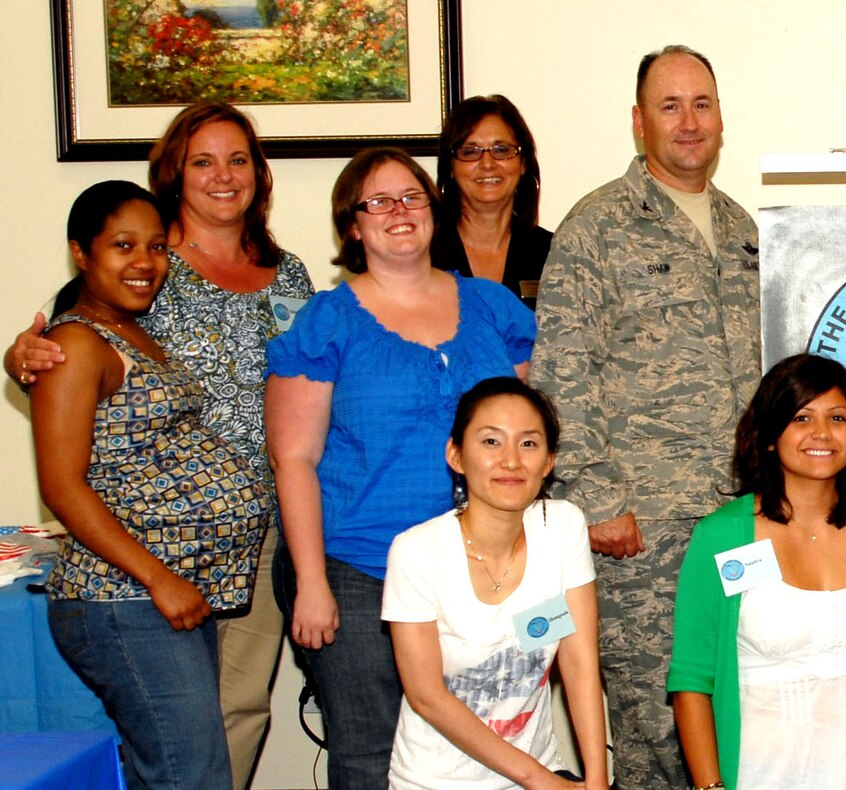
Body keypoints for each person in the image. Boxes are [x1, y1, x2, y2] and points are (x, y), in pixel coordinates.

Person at [8, 101, 314, 790]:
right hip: (152, 545)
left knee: (235, 708)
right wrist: (18, 356)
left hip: (267, 525)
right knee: (179, 732)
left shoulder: (288, 274)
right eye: (203, 161)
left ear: (259, 173)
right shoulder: (146, 262)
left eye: (237, 159)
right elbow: (62, 346)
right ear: (175, 173)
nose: (223, 176)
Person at [266, 148, 536, 789]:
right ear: (352, 226)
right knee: (370, 751)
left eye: (412, 197)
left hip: (476, 571)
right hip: (358, 569)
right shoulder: (327, 322)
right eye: (378, 202)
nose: (399, 211)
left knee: (479, 744)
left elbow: (521, 438)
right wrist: (312, 583)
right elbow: (293, 458)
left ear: (434, 211)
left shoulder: (493, 308)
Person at [530, 43, 761, 788]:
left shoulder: (745, 230)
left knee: (738, 709)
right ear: (639, 121)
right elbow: (562, 369)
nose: (689, 122)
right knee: (655, 722)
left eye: (702, 104)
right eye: (670, 106)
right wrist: (596, 498)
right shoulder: (597, 226)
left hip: (743, 520)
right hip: (644, 529)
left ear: (720, 118)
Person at [33, 180, 270, 789]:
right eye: (123, 245)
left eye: (157, 247)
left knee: (172, 773)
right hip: (125, 595)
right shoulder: (75, 343)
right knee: (190, 776)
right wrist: (159, 579)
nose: (144, 262)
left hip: (162, 594)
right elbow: (62, 487)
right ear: (81, 252)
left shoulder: (131, 330)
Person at [669, 354, 846, 790]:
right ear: (770, 436)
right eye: (802, 418)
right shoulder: (722, 537)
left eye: (838, 417)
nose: (822, 433)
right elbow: (692, 682)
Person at [382, 378, 608, 789]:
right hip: (438, 781)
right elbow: (427, 696)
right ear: (455, 455)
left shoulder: (562, 527)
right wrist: (540, 781)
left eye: (528, 443)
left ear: (549, 461)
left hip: (542, 769)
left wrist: (597, 780)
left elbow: (578, 662)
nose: (511, 461)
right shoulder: (416, 551)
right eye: (491, 442)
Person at [432, 95, 553, 308]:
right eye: (470, 152)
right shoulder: (424, 253)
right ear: (450, 168)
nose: (487, 164)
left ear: (523, 163)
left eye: (501, 150)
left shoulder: (554, 252)